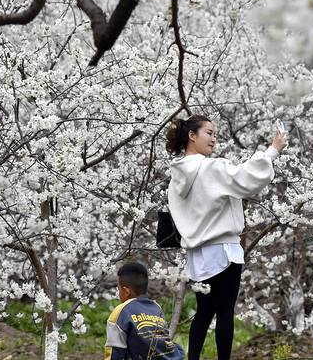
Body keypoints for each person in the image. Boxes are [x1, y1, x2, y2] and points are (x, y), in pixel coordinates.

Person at [165, 115, 287, 360]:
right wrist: (272, 151)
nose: (213, 138)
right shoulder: (211, 167)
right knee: (224, 313)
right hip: (223, 250)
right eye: (208, 133)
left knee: (203, 313)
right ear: (192, 135)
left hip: (197, 255)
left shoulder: (176, 176)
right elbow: (245, 179)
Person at [105, 262, 186, 360]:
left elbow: (115, 350)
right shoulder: (156, 307)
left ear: (127, 291)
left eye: (119, 289)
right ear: (147, 288)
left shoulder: (121, 311)